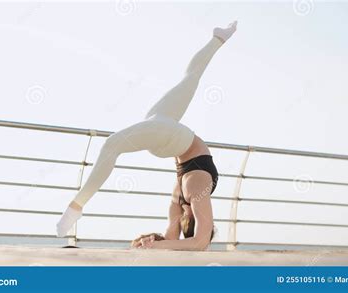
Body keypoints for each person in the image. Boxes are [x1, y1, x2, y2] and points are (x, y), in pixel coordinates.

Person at [57, 21, 238, 250]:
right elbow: (200, 242)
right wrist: (160, 246)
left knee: (113, 145)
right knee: (189, 79)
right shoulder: (197, 191)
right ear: (192, 219)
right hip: (172, 138)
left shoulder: (181, 200)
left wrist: (151, 243)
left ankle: (75, 206)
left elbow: (171, 238)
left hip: (169, 139)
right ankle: (218, 38)